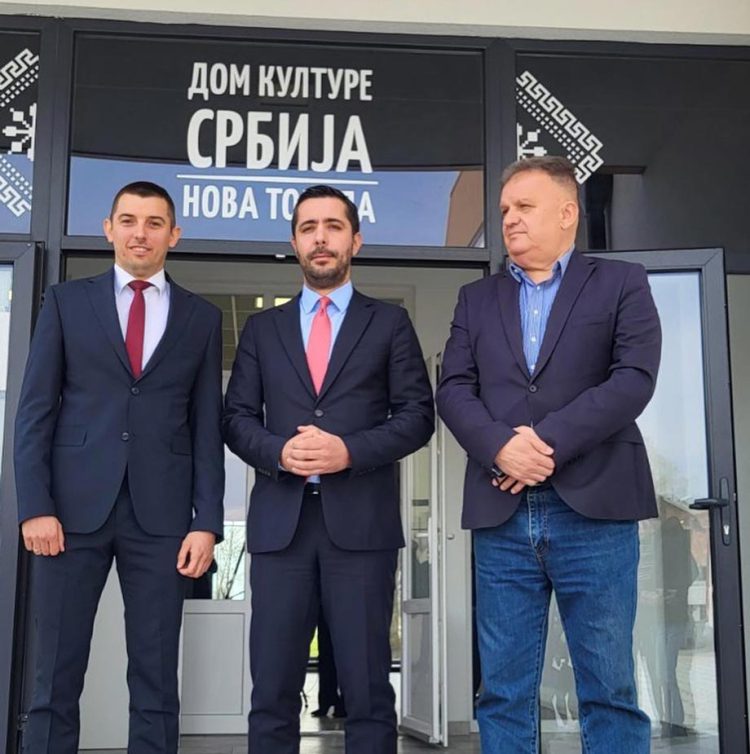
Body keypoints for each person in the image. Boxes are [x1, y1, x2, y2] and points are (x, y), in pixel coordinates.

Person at [436, 156, 661, 753]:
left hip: (597, 512)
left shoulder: (622, 283)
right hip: (501, 513)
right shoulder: (475, 299)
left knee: (609, 687)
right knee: (503, 692)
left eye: (524, 207)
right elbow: (453, 389)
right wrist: (500, 447)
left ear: (567, 213)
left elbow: (633, 379)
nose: (509, 219)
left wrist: (544, 445)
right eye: (505, 209)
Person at [14, 181, 225, 754]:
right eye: (128, 220)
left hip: (162, 521)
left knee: (156, 680)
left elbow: (207, 428)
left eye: (155, 223)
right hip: (68, 516)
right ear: (108, 229)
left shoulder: (202, 318)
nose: (140, 233)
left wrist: (207, 522)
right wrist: (35, 507)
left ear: (174, 235)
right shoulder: (65, 303)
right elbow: (34, 413)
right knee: (54, 677)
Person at [223, 184, 434, 754]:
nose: (320, 238)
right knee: (271, 690)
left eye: (333, 227)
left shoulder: (389, 323)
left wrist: (349, 451)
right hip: (281, 530)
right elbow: (236, 418)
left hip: (361, 528)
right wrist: (277, 452)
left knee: (368, 691)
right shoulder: (263, 329)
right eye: (308, 228)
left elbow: (418, 417)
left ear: (355, 241)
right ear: (294, 243)